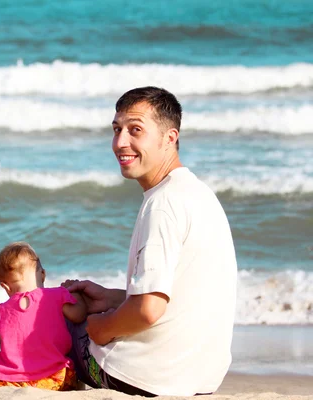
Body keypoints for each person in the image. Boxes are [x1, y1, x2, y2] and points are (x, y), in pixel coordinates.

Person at [63, 87, 237, 396]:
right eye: (117, 130)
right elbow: (180, 298)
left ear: (170, 138)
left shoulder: (163, 203)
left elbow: (147, 311)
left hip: (143, 378)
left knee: (60, 317)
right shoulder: (198, 193)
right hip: (201, 379)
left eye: (135, 130)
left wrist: (101, 328)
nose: (120, 143)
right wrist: (113, 300)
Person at [0, 242, 86, 390]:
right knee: (70, 370)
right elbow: (79, 315)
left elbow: (7, 349)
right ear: (43, 274)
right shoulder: (58, 295)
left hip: (13, 381)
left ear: (5, 286)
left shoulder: (1, 310)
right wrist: (76, 293)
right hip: (53, 378)